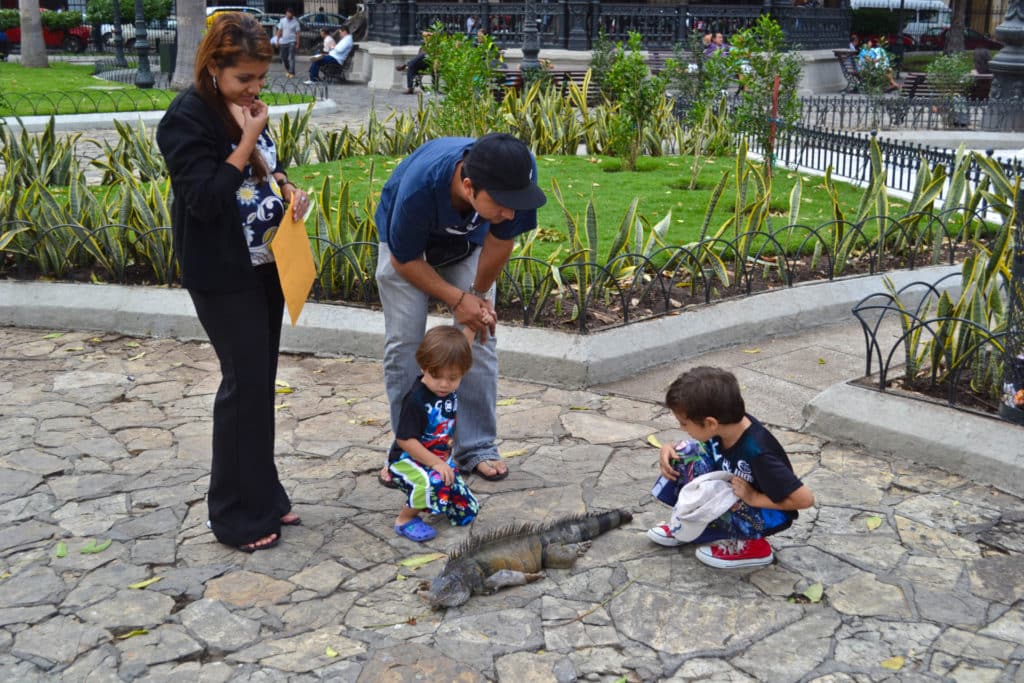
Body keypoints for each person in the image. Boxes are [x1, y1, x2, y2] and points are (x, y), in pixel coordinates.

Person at [155, 13, 311, 553]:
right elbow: (203, 198)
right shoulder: (186, 118)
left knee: (259, 385)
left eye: (260, 79)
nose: (254, 89)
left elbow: (269, 164)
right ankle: (231, 514)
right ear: (213, 66)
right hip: (222, 271)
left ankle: (264, 492)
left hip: (267, 263)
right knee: (241, 386)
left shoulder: (248, 110)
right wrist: (245, 139)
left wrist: (288, 185)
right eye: (244, 78)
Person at [375, 133, 547, 488]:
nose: (511, 213)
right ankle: (408, 450)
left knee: (482, 333)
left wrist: (478, 298)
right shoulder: (420, 187)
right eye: (501, 204)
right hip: (406, 249)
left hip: (467, 244)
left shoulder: (517, 174)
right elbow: (404, 260)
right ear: (468, 186)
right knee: (405, 345)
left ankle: (477, 447)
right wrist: (456, 299)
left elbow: (501, 240)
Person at [646, 367, 815, 568]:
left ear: (710, 423)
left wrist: (753, 498)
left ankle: (754, 545)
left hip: (763, 512)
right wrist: (669, 449)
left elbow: (805, 499)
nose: (682, 428)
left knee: (692, 455)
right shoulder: (728, 424)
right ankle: (689, 525)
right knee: (683, 452)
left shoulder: (759, 453)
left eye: (684, 423)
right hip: (733, 487)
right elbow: (699, 448)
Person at [387, 326, 480, 541]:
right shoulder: (416, 399)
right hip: (405, 460)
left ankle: (435, 499)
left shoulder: (450, 381)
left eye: (453, 378)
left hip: (438, 459)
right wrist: (436, 464)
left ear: (462, 372)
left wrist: (474, 327)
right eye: (436, 376)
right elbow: (404, 439)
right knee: (433, 481)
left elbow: (463, 349)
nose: (444, 384)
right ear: (423, 366)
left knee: (468, 511)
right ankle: (405, 520)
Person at [395, 30, 431, 94]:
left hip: (430, 65)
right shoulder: (423, 47)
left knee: (422, 55)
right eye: (425, 37)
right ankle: (410, 88)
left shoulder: (436, 46)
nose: (426, 38)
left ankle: (406, 65)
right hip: (422, 65)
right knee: (411, 66)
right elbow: (418, 59)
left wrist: (429, 34)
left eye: (428, 37)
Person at [276, 7, 300, 78]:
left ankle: (291, 72)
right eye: (287, 14)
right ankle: (288, 69)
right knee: (284, 58)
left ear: (292, 14)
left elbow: (298, 34)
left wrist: (298, 43)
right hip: (284, 42)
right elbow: (279, 31)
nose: (289, 15)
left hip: (292, 41)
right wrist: (277, 40)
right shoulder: (282, 21)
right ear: (286, 14)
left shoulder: (296, 22)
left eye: (290, 14)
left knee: (291, 57)